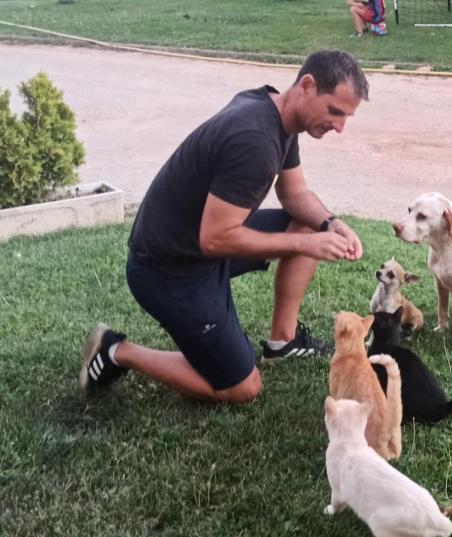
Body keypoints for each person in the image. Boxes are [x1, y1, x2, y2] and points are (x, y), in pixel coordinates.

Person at [79, 50, 369, 404]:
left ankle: (283, 342)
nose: (340, 127)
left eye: (346, 117)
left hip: (195, 244)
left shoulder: (276, 112)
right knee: (242, 388)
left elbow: (295, 193)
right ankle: (116, 350)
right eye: (335, 112)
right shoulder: (255, 140)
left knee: (306, 225)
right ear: (307, 86)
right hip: (169, 269)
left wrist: (330, 224)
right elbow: (215, 239)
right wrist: (302, 246)